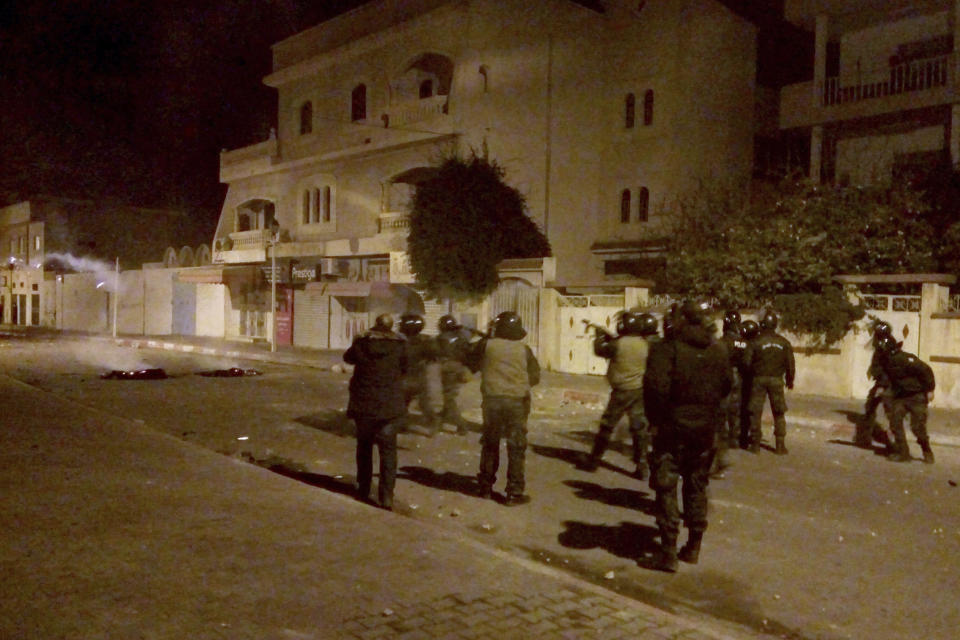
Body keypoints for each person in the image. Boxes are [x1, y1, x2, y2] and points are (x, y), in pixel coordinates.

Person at [644, 299, 731, 572]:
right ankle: (693, 547)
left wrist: (656, 421)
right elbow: (728, 386)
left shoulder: (667, 349)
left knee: (666, 486)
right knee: (696, 487)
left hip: (671, 429)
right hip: (704, 431)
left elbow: (655, 390)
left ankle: (668, 551)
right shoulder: (719, 350)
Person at [466, 311, 540, 505]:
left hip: (492, 401)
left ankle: (485, 488)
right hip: (517, 402)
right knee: (516, 447)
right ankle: (514, 493)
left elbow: (471, 363)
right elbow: (535, 377)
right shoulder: (525, 350)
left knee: (490, 444)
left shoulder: (486, 345)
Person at [581, 311, 658, 478]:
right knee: (639, 429)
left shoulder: (619, 344)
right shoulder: (645, 343)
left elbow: (600, 350)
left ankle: (594, 461)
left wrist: (599, 336)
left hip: (621, 391)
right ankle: (642, 466)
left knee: (607, 426)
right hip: (638, 390)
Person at [343, 314, 408, 510]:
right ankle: (386, 496)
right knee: (388, 451)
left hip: (365, 405)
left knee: (364, 448)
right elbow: (406, 368)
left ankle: (363, 489)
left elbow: (348, 358)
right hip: (390, 406)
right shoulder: (400, 345)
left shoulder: (363, 342)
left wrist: (357, 340)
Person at [876, 336, 936, 463]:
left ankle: (926, 450)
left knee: (917, 427)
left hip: (917, 396)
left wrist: (930, 390)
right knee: (895, 421)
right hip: (901, 396)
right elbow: (886, 375)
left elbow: (926, 370)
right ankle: (903, 453)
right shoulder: (887, 361)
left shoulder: (906, 359)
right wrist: (882, 386)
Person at [744, 310, 795, 455]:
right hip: (776, 380)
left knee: (755, 412)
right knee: (779, 412)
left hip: (758, 379)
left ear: (763, 324)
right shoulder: (784, 343)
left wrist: (751, 375)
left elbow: (747, 362)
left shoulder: (755, 342)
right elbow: (790, 364)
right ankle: (780, 445)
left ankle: (755, 444)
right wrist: (790, 380)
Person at [712, 309, 747, 476]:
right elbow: (746, 362)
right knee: (736, 407)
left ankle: (725, 439)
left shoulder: (720, 342)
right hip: (737, 376)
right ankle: (734, 437)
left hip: (723, 376)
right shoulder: (742, 343)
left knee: (722, 410)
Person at [398, 313, 442, 436]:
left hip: (404, 377)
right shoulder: (425, 341)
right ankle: (433, 423)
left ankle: (401, 425)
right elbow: (434, 356)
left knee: (401, 404)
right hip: (419, 377)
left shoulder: (399, 341)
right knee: (424, 404)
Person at [854, 321, 895, 451]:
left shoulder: (886, 345)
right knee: (871, 407)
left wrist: (882, 385)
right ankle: (866, 438)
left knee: (890, 413)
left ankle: (894, 443)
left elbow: (888, 366)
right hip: (882, 382)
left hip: (887, 384)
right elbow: (878, 362)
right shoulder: (883, 344)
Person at [436, 314, 472, 434]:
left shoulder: (441, 338)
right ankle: (440, 419)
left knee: (448, 397)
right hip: (458, 368)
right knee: (448, 396)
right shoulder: (461, 337)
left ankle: (461, 425)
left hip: (448, 368)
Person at [737, 319, 759, 449]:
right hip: (753, 381)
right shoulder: (756, 344)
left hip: (744, 380)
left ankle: (742, 437)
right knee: (750, 409)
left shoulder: (747, 345)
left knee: (742, 408)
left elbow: (745, 363)